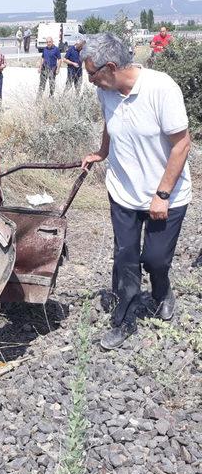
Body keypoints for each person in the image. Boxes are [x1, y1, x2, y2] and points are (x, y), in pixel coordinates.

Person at [80, 33, 192, 350]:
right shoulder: (108, 91)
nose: (90, 81)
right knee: (126, 259)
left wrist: (163, 194)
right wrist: (102, 152)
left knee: (155, 260)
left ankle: (161, 291)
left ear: (111, 66)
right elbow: (110, 122)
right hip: (124, 192)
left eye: (92, 73)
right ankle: (126, 318)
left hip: (166, 193)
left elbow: (182, 144)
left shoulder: (161, 89)